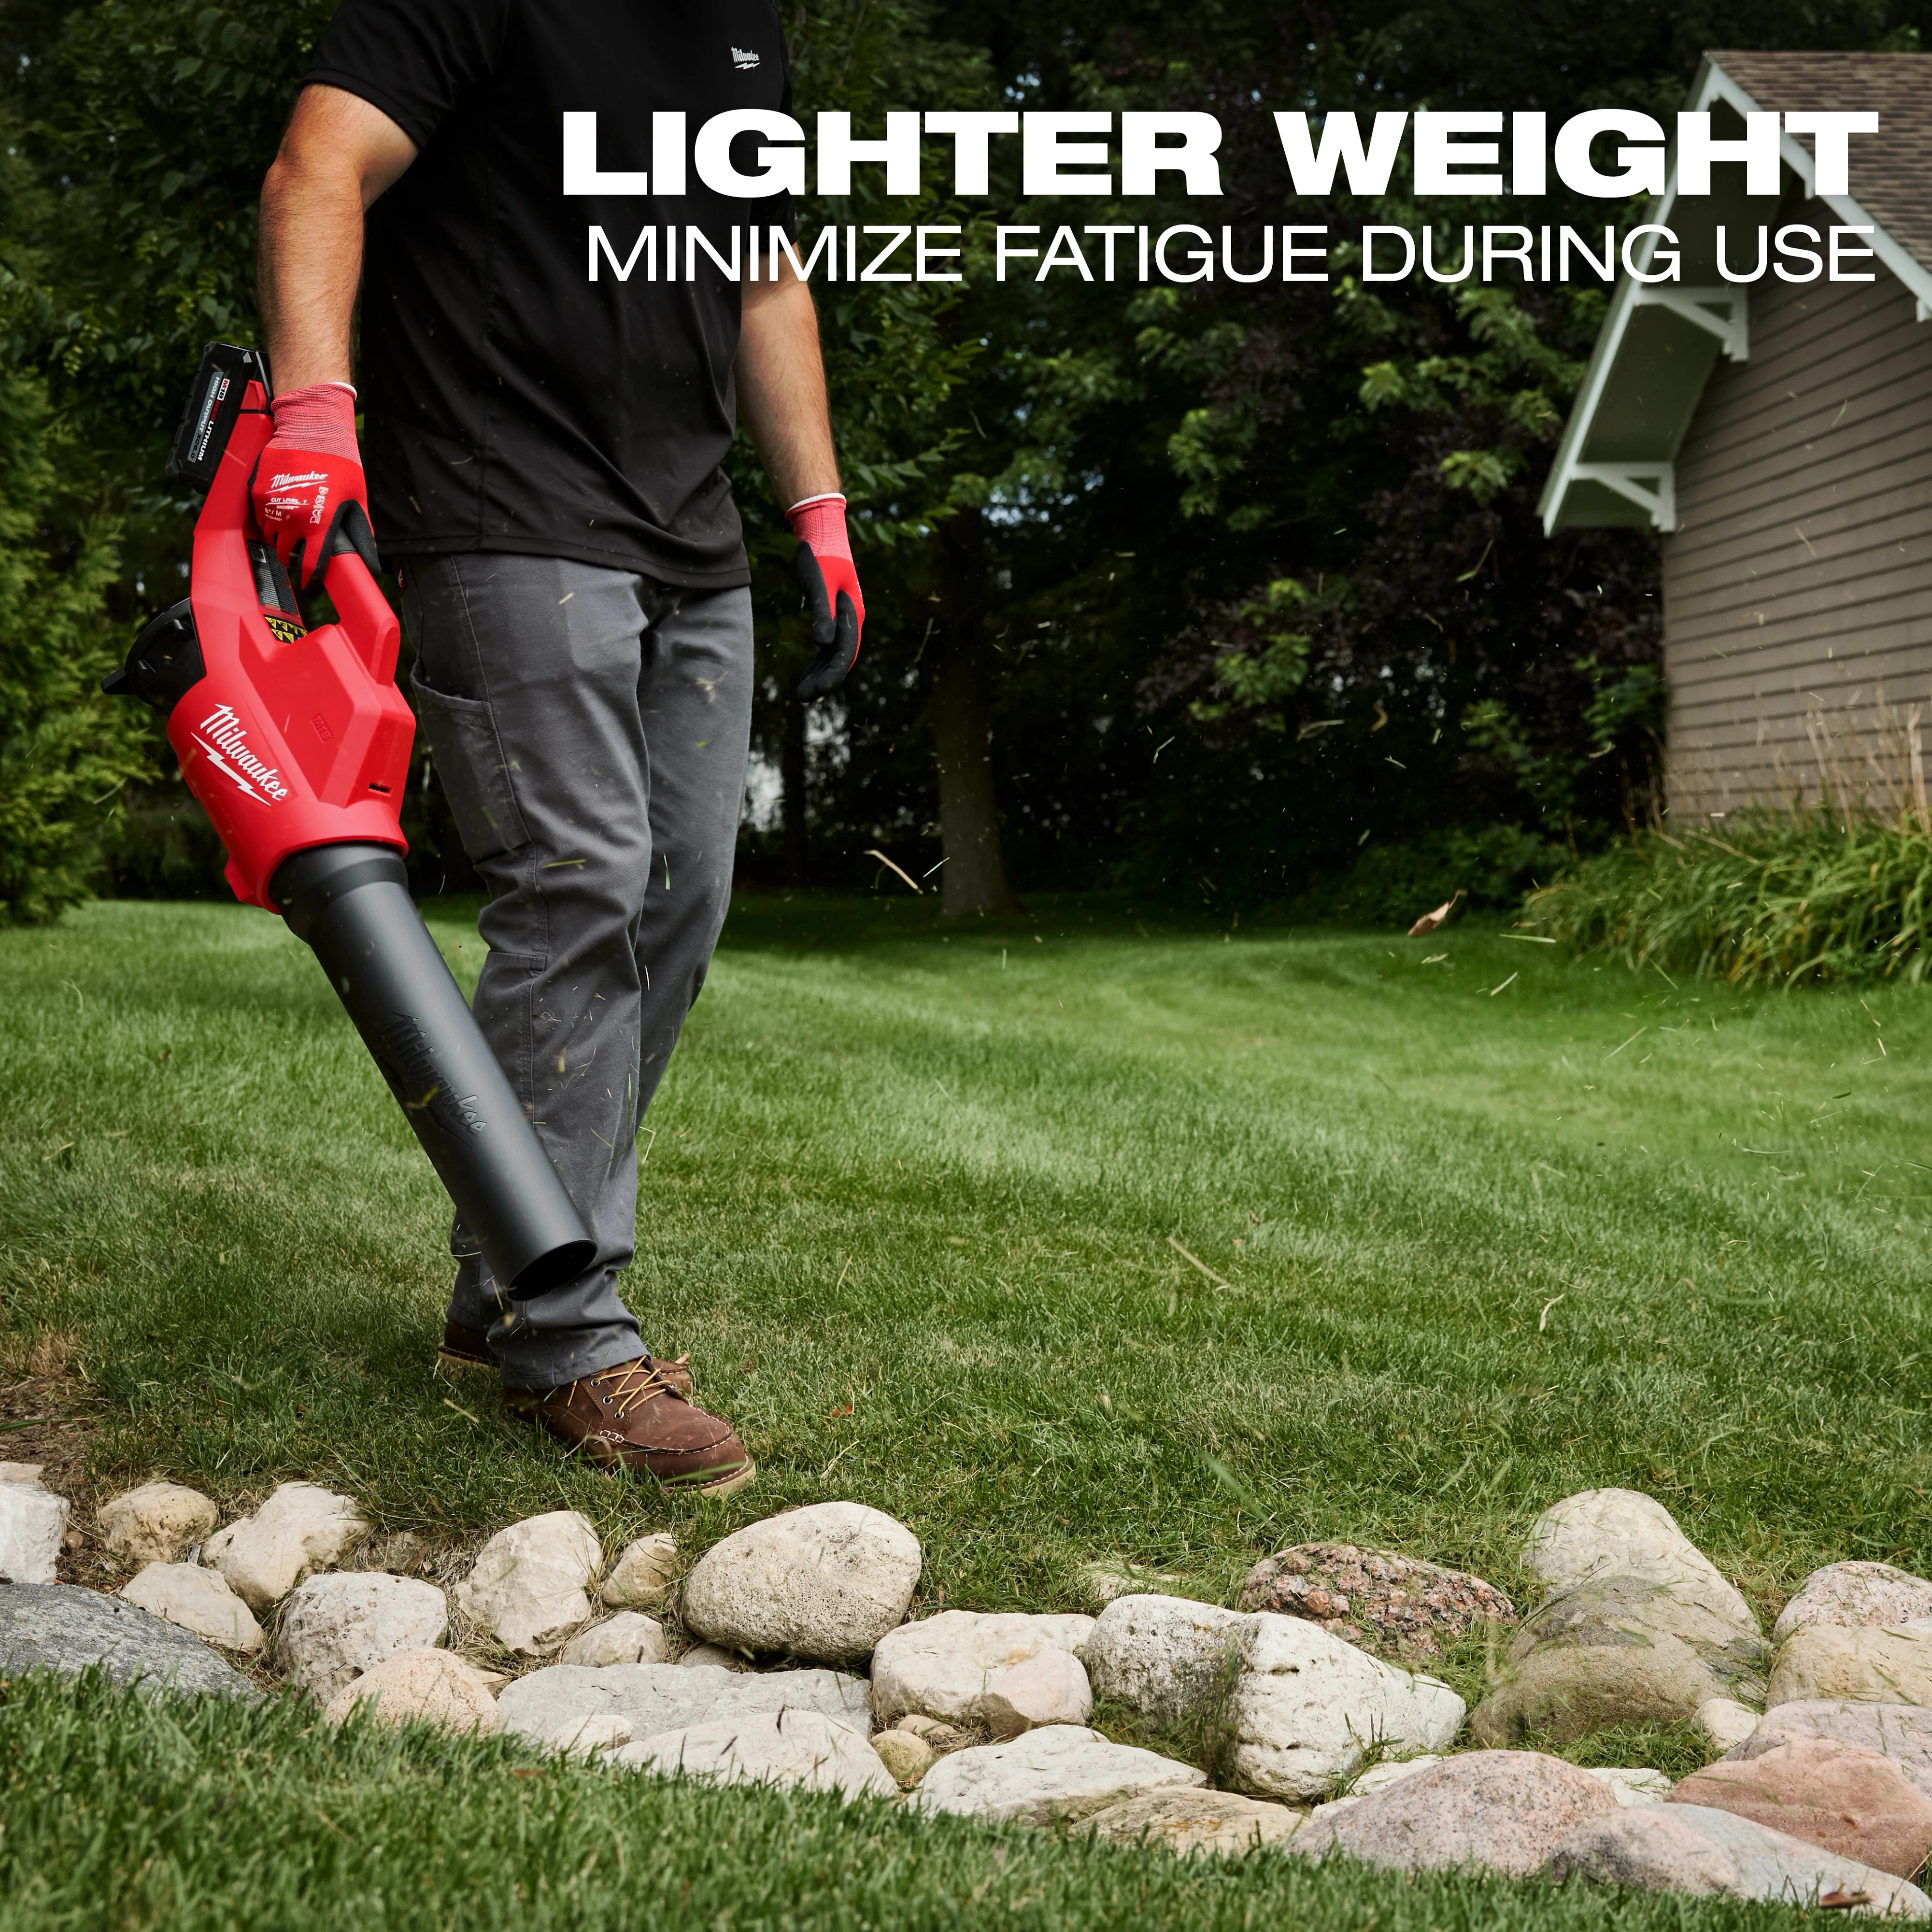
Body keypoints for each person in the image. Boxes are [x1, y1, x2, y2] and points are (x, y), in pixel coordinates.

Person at [254, 0, 864, 1497]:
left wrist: (820, 509)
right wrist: (316, 419)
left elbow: (764, 273)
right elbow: (319, 165)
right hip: (501, 502)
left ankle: (500, 1288)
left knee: (678, 901)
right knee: (580, 881)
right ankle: (569, 1334)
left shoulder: (743, 33)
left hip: (688, 532)